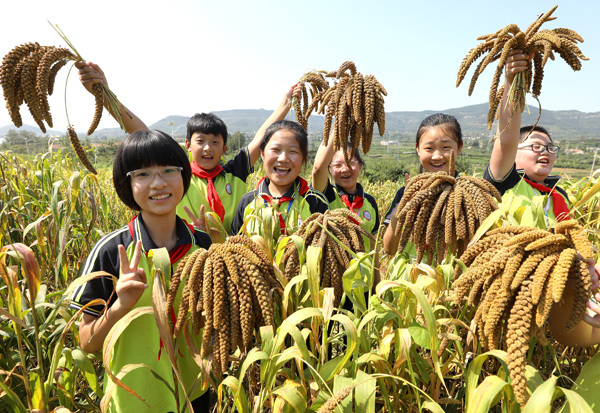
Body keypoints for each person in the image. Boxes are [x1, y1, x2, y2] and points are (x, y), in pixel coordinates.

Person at [70, 130, 212, 412]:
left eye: (169, 170)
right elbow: (87, 343)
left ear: (184, 176)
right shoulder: (111, 251)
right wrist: (121, 305)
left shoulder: (202, 244)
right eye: (143, 174)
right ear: (128, 185)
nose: (158, 183)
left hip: (195, 391)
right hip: (137, 397)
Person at [76, 61, 301, 240]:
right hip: (187, 256)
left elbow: (261, 136)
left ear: (224, 147)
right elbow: (142, 132)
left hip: (232, 261)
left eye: (215, 142)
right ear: (187, 145)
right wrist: (105, 96)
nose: (207, 148)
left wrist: (286, 103)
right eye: (200, 141)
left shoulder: (235, 171)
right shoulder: (177, 172)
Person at [483, 50, 569, 228]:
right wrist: (511, 81)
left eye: (550, 148)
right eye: (536, 146)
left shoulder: (559, 195)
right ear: (515, 152)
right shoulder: (506, 183)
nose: (545, 151)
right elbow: (506, 141)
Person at [230, 120, 329, 238]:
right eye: (276, 150)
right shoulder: (248, 202)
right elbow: (236, 245)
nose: (283, 158)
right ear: (262, 154)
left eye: (293, 151)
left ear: (303, 159)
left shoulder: (316, 201)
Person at [383, 113, 464, 255]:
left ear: (459, 148)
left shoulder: (469, 193)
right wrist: (403, 206)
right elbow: (389, 249)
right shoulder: (405, 193)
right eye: (429, 148)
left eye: (445, 147)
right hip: (409, 275)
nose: (437, 155)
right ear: (418, 149)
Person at [311, 129, 379, 250]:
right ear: (329, 169)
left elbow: (373, 246)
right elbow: (318, 168)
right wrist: (339, 122)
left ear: (360, 166)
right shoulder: (326, 195)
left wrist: (376, 269)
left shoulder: (370, 202)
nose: (344, 169)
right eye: (337, 165)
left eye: (350, 163)